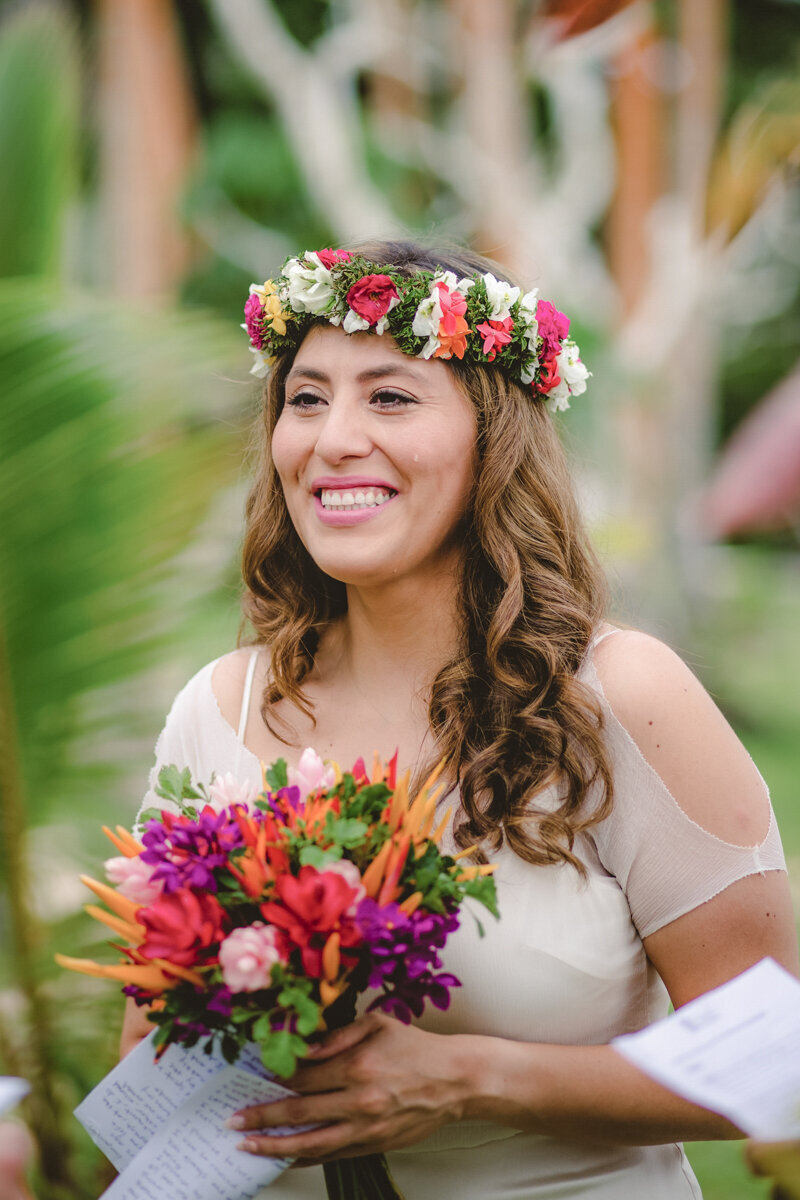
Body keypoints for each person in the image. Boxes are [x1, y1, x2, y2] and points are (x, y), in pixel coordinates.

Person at [122, 240, 798, 1198]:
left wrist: (474, 1079)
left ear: (494, 437)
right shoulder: (223, 711)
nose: (332, 438)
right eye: (305, 398)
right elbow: (149, 1082)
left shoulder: (619, 700)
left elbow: (776, 1056)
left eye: (390, 396)